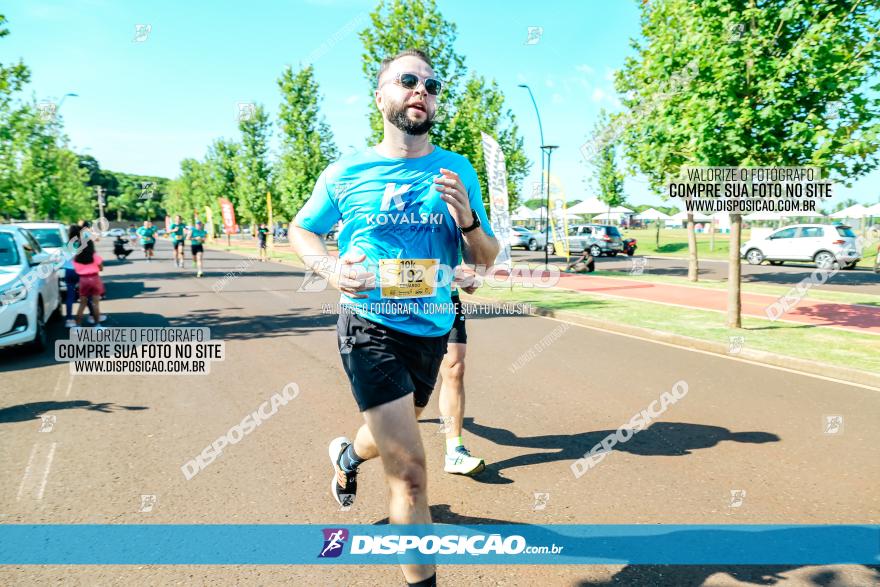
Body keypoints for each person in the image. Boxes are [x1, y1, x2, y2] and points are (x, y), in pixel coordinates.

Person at [291, 48, 499, 587]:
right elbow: (302, 229)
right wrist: (331, 269)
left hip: (431, 327)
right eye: (408, 81)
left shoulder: (457, 169)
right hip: (369, 325)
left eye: (431, 86)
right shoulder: (346, 172)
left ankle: (346, 456)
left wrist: (470, 223)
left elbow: (485, 257)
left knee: (384, 436)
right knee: (410, 474)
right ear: (380, 95)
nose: (421, 92)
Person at [437, 276, 485, 475]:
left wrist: (467, 276)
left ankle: (454, 451)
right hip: (399, 301)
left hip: (446, 299)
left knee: (455, 368)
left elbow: (479, 258)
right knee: (410, 370)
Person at [73, 237, 106, 327]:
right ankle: (97, 325)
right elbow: (101, 268)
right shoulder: (95, 256)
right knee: (95, 304)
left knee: (82, 304)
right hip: (94, 278)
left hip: (83, 280)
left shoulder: (76, 257)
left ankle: (78, 326)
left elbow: (76, 270)